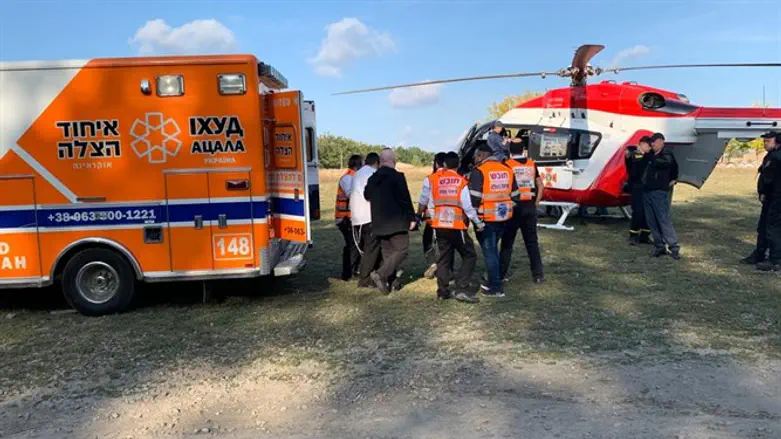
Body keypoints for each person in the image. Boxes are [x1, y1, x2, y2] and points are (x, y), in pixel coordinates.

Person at [427, 152, 483, 303]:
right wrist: (478, 223)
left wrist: (434, 220)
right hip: (457, 227)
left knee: (443, 258)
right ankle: (461, 288)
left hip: (439, 226)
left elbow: (431, 205)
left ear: (444, 165)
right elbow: (468, 207)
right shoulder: (461, 182)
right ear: (458, 165)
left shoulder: (436, 182)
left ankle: (442, 291)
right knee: (470, 254)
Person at [469, 144, 522, 297]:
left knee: (490, 252)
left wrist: (476, 220)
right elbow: (516, 196)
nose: (475, 159)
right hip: (503, 218)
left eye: (476, 156)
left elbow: (474, 200)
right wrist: (505, 208)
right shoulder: (507, 169)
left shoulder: (479, 171)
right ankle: (493, 278)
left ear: (481, 156)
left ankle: (495, 287)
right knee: (493, 251)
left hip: (486, 219)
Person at [364, 148, 417, 293]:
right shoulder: (397, 177)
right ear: (393, 161)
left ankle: (391, 283)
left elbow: (366, 195)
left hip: (379, 222)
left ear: (381, 161)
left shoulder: (372, 178)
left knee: (388, 253)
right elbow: (405, 199)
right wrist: (412, 218)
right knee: (402, 250)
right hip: (397, 221)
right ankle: (380, 275)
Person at [499, 140, 545, 284]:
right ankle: (538, 275)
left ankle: (501, 274)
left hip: (513, 207)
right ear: (523, 149)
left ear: (510, 150)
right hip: (529, 207)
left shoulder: (506, 165)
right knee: (532, 243)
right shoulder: (531, 164)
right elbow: (541, 186)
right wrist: (536, 203)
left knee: (507, 243)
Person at [745, 132, 781, 270]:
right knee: (763, 226)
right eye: (764, 141)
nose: (765, 144)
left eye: (768, 141)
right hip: (771, 198)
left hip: (777, 198)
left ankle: (776, 259)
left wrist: (764, 192)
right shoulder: (772, 155)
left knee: (773, 228)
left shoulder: (777, 157)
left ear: (777, 141)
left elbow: (769, 179)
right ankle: (759, 254)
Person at [642, 132, 681, 260]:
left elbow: (667, 164)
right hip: (647, 190)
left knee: (663, 219)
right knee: (651, 220)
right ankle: (659, 245)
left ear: (661, 141)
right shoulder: (651, 155)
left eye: (654, 142)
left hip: (659, 191)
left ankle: (673, 246)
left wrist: (674, 179)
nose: (652, 144)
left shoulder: (666, 154)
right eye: (651, 142)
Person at [351, 152, 382, 288]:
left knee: (367, 248)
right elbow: (371, 194)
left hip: (357, 217)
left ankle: (370, 275)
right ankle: (364, 279)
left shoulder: (358, 173)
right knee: (371, 249)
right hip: (368, 215)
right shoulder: (372, 174)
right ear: (376, 162)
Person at [418, 152, 448, 279]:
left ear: (436, 163)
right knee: (446, 244)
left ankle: (432, 263)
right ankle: (445, 266)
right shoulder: (455, 177)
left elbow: (424, 198)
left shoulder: (430, 178)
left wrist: (419, 213)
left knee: (428, 241)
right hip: (450, 217)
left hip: (433, 216)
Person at [335, 154, 363, 280]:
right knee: (352, 244)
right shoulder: (347, 178)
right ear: (358, 165)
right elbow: (352, 195)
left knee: (355, 243)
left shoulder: (354, 177)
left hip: (351, 218)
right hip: (344, 218)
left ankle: (353, 269)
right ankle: (348, 272)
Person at [625, 136, 653, 245]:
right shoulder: (634, 155)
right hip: (637, 187)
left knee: (648, 212)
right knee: (638, 211)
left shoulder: (647, 155)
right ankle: (633, 235)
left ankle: (645, 236)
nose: (649, 148)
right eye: (647, 145)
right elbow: (636, 168)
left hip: (647, 187)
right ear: (641, 144)